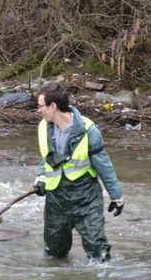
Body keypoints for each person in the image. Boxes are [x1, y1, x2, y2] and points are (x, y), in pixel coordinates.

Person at [33, 82, 124, 262]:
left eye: (40, 106)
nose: (38, 110)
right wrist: (41, 176)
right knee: (54, 254)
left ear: (53, 106)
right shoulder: (43, 127)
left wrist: (116, 195)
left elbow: (104, 164)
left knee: (97, 251)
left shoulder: (88, 130)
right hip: (56, 199)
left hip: (85, 197)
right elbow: (46, 157)